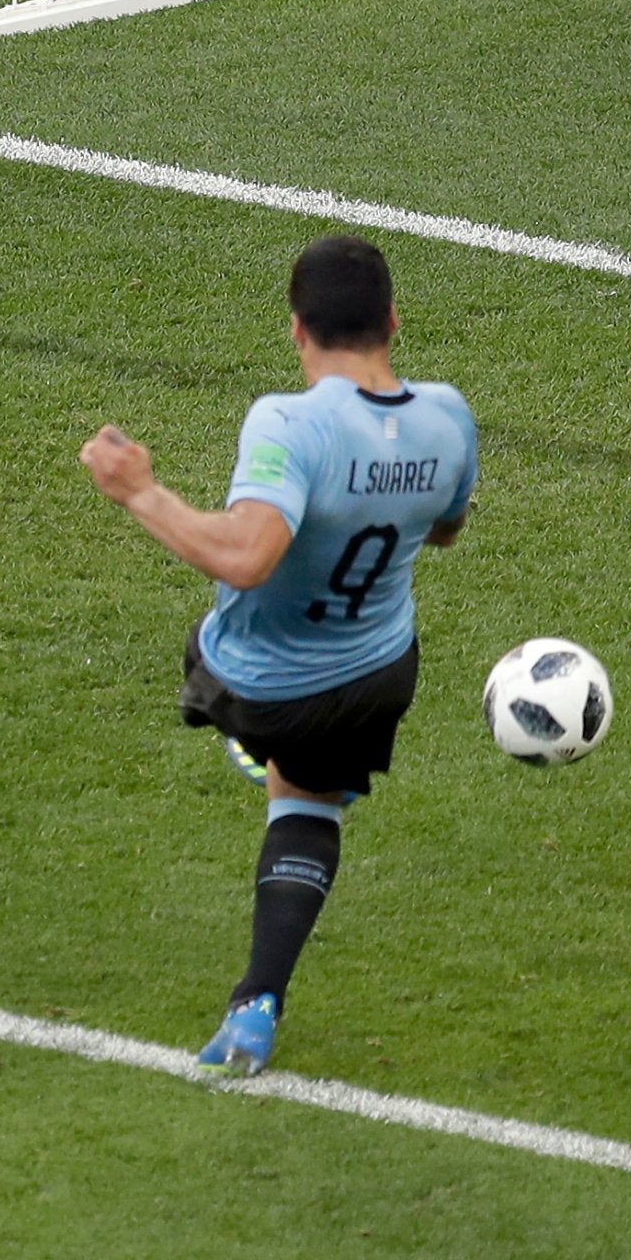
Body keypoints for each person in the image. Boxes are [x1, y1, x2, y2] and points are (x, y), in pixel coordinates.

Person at [81, 235, 475, 1077]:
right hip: (377, 674)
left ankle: (251, 742)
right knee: (307, 807)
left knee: (208, 643)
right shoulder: (449, 417)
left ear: (297, 331)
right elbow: (445, 529)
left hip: (261, 682)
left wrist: (140, 492)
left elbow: (246, 557)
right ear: (394, 321)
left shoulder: (289, 422)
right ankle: (257, 1001)